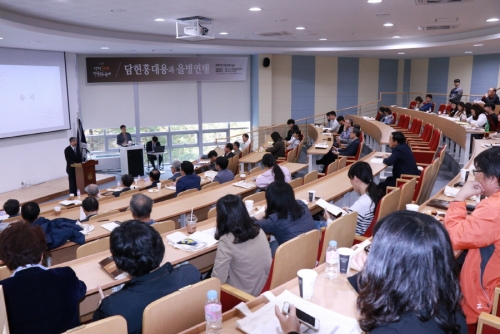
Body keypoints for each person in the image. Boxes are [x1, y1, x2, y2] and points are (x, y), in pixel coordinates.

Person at [93, 220, 200, 334]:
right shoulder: (191, 273)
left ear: (119, 262)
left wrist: (102, 307)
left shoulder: (113, 308)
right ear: (159, 246)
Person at [444, 147, 500, 325]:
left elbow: (451, 237)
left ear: (491, 178)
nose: (475, 176)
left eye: (478, 172)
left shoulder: (494, 209)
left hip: (481, 305)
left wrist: (459, 199)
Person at [0, 223, 87, 334]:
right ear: (42, 253)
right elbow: (81, 289)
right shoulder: (65, 275)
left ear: (4, 260)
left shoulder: (3, 290)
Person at [212, 195, 272, 296]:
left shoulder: (227, 241)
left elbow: (218, 280)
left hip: (242, 297)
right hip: (265, 290)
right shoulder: (259, 231)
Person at [253, 181, 316, 257]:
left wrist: (263, 213)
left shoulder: (274, 220)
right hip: (312, 251)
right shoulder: (301, 204)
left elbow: (249, 223)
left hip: (292, 258)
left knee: (271, 245)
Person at [320, 161, 383, 235]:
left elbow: (337, 229)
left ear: (355, 178)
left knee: (315, 226)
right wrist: (350, 211)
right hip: (359, 231)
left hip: (350, 237)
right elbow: (358, 214)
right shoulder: (374, 193)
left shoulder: (362, 203)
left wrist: (328, 219)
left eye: (350, 178)